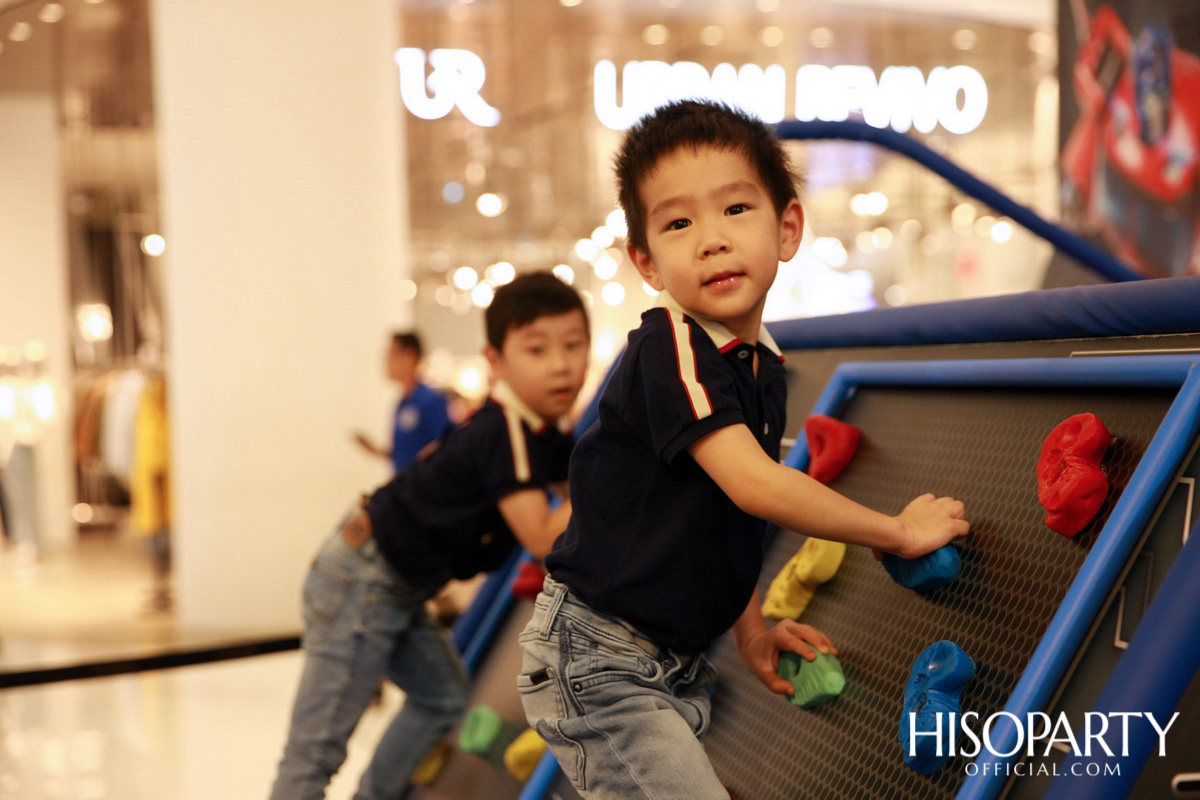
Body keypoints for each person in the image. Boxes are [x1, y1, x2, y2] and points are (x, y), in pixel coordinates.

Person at [518, 100, 970, 799]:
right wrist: (897, 532)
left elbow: (720, 524)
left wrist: (753, 631)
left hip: (663, 660)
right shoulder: (672, 349)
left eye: (735, 209)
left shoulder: (757, 365)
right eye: (678, 223)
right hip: (600, 659)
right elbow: (756, 487)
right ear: (646, 261)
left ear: (787, 227)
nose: (711, 239)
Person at [270, 272, 590, 800]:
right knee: (314, 752)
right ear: (496, 360)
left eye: (573, 345)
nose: (561, 364)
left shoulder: (543, 429)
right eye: (537, 349)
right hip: (361, 578)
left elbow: (570, 487)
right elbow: (541, 536)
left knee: (441, 697)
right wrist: (611, 481)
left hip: (393, 583)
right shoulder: (505, 430)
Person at [354, 331, 452, 472]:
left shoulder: (430, 400)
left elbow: (447, 445)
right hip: (406, 488)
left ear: (410, 356)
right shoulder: (402, 403)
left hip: (424, 489)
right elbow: (405, 452)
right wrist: (375, 450)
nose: (386, 361)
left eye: (391, 354)